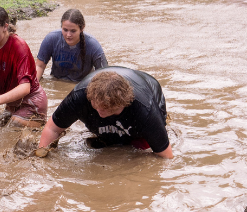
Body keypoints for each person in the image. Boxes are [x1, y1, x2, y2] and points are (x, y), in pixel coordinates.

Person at [35, 67, 173, 158]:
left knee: (139, 146)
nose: (101, 112)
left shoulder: (144, 108)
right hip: (102, 96)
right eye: (97, 107)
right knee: (105, 140)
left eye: (107, 109)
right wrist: (41, 157)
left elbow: (165, 156)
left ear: (123, 104)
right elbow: (52, 128)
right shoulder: (80, 96)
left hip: (149, 89)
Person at [0, 6, 47, 127]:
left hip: (32, 102)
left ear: (5, 27)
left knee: (14, 126)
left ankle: (42, 125)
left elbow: (25, 88)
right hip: (12, 102)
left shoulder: (19, 46)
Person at [35, 8, 108, 82]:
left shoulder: (93, 45)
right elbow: (39, 66)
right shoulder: (51, 39)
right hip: (56, 82)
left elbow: (105, 74)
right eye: (65, 30)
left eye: (73, 31)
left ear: (82, 28)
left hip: (81, 86)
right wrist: (33, 86)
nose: (68, 35)